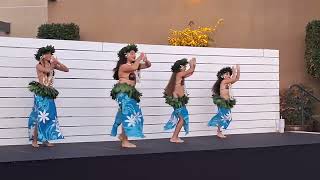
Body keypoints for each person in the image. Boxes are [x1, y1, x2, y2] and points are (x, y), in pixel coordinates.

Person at [110, 44, 151, 148]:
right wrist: (138, 58)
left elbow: (148, 65)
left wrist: (145, 60)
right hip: (123, 92)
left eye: (135, 53)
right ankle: (125, 141)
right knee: (127, 115)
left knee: (127, 114)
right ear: (125, 55)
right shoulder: (123, 66)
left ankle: (122, 136)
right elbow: (133, 66)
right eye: (132, 53)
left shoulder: (134, 66)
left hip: (131, 93)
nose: (134, 55)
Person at [28, 45, 69, 148]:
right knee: (40, 116)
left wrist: (58, 62)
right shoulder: (38, 65)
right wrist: (53, 64)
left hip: (49, 93)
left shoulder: (52, 64)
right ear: (42, 55)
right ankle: (35, 140)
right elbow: (47, 71)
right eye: (47, 53)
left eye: (50, 53)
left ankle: (45, 140)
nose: (49, 55)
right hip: (41, 93)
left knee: (49, 116)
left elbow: (66, 69)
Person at [163, 58, 196, 143]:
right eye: (184, 66)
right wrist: (192, 64)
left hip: (179, 100)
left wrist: (193, 65)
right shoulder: (179, 74)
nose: (185, 67)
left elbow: (191, 72)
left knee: (182, 118)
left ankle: (175, 136)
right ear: (180, 67)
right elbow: (190, 70)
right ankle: (174, 137)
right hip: (177, 100)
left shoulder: (180, 75)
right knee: (182, 119)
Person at [208, 65, 240, 138]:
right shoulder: (224, 81)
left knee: (227, 117)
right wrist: (234, 71)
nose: (229, 75)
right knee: (223, 117)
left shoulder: (228, 83)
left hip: (227, 102)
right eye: (227, 74)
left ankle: (219, 131)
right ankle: (219, 132)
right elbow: (234, 77)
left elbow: (237, 78)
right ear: (222, 76)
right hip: (223, 102)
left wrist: (238, 70)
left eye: (229, 74)